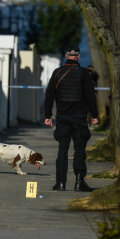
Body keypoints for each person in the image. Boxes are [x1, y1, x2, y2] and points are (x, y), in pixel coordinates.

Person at [44, 46, 99, 192]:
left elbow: (49, 96)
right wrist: (94, 116)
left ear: (66, 56)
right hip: (80, 118)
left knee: (62, 150)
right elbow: (90, 96)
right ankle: (79, 182)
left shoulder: (57, 73)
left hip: (62, 118)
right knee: (79, 150)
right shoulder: (84, 74)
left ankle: (60, 183)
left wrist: (47, 116)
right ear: (78, 57)